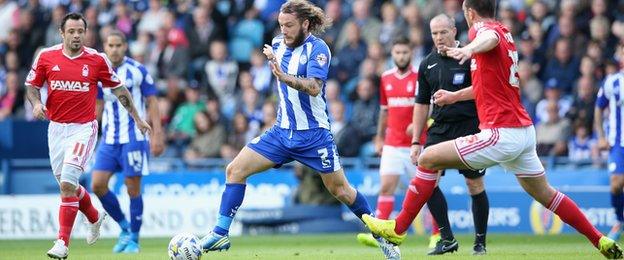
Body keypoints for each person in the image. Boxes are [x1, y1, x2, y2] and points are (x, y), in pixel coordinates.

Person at [362, 1, 623, 259]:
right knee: (546, 194)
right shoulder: (505, 32)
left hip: (500, 132)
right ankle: (599, 240)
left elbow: (488, 38)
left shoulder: (482, 31)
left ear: (469, 13)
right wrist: (454, 97)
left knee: (428, 158)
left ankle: (398, 229)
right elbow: (487, 85)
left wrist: (469, 49)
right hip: (523, 131)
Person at [199, 1, 400, 259]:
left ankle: (381, 238)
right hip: (282, 132)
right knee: (234, 170)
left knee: (340, 190)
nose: (284, 30)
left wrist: (284, 77)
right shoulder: (277, 44)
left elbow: (315, 87)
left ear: (305, 24)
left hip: (314, 134)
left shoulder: (319, 49)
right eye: (281, 25)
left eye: (290, 25)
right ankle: (220, 234)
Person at [24, 13, 151, 260]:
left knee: (69, 185)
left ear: (86, 33)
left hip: (83, 128)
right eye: (71, 31)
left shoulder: (96, 60)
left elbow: (119, 89)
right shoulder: (46, 56)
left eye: (80, 31)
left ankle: (62, 243)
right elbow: (31, 85)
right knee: (67, 185)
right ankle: (93, 215)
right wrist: (36, 104)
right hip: (56, 129)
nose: (76, 36)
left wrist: (137, 117)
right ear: (62, 33)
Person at [410, 14, 489, 255]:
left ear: (454, 31)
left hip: (469, 126)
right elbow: (421, 104)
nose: (439, 37)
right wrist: (416, 140)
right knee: (426, 182)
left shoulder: (469, 56)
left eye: (443, 32)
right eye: (434, 33)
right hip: (440, 128)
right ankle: (447, 237)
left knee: (473, 184)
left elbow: (483, 90)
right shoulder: (427, 64)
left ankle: (480, 243)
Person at [355, 35, 433, 248]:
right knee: (386, 187)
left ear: (411, 53)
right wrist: (380, 137)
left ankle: (437, 235)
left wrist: (421, 125)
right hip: (392, 142)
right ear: (392, 54)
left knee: (428, 191)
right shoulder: (386, 78)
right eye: (397, 52)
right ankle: (378, 233)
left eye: (405, 52)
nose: (401, 56)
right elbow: (384, 111)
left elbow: (431, 107)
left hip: (417, 144)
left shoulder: (421, 76)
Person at [91, 30, 164, 254]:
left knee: (132, 188)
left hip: (134, 137)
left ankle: (134, 238)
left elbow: (152, 102)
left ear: (125, 47)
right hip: (109, 139)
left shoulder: (137, 71)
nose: (114, 49)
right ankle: (124, 226)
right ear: (105, 46)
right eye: (110, 45)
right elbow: (98, 108)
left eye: (118, 45)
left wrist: (157, 134)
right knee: (97, 184)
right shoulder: (100, 72)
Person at [595, 43, 624, 241]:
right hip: (617, 142)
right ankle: (619, 220)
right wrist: (601, 136)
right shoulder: (612, 82)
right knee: (616, 184)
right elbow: (598, 108)